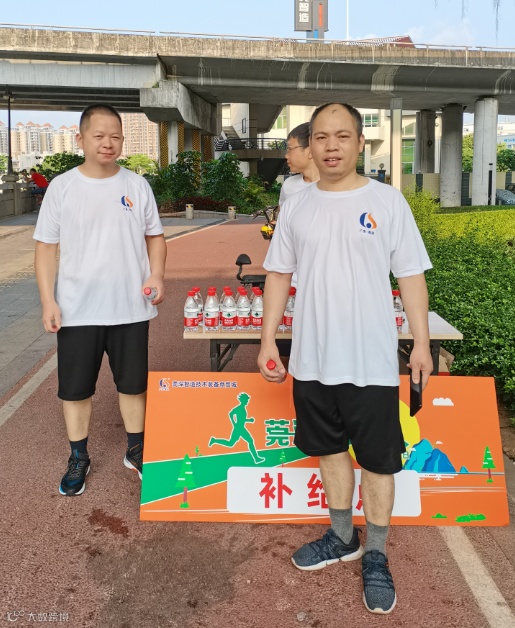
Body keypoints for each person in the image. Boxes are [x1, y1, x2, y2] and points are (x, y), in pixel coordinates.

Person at [258, 102, 433, 615]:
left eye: (341, 136)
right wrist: (268, 341)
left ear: (359, 142)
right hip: (311, 358)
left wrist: (421, 344)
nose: (331, 146)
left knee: (378, 461)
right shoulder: (297, 205)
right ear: (310, 144)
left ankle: (375, 553)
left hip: (371, 359)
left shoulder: (387, 201)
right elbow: (278, 275)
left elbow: (411, 276)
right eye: (321, 137)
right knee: (329, 448)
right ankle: (342, 536)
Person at [33, 104, 167, 497]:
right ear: (81, 139)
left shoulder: (136, 186)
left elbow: (155, 237)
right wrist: (48, 301)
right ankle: (79, 456)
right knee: (76, 390)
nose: (108, 143)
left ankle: (136, 449)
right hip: (77, 309)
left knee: (133, 385)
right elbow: (45, 249)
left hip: (130, 307)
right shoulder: (63, 187)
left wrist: (157, 274)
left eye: (115, 136)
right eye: (99, 136)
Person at [279, 122, 319, 208]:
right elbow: (281, 215)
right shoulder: (289, 185)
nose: (286, 156)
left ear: (310, 151)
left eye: (290, 149)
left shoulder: (337, 188)